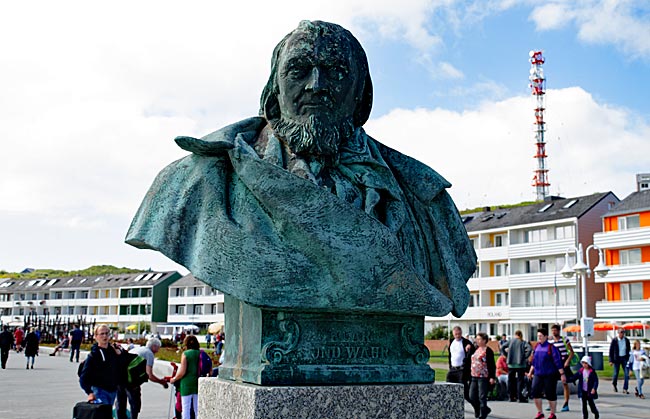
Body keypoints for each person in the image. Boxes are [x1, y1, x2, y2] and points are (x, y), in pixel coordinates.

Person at [126, 20, 476, 324]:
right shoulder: (195, 183)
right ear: (274, 89)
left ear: (361, 93)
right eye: (299, 69)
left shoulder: (423, 197)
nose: (316, 85)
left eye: (337, 71)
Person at [116, 337, 169, 419]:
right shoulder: (149, 353)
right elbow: (149, 375)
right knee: (135, 404)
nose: (158, 351)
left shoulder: (137, 349)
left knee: (121, 403)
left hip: (120, 378)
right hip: (132, 382)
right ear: (154, 346)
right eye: (158, 348)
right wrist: (162, 382)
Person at [79, 324, 122, 405]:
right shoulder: (94, 355)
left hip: (113, 390)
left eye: (107, 333)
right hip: (99, 391)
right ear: (96, 336)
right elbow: (83, 378)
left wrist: (120, 354)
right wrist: (90, 393)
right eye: (102, 334)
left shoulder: (113, 351)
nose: (105, 336)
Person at [527, 328, 566, 419]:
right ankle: (540, 412)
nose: (539, 338)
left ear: (545, 336)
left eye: (540, 336)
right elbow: (534, 361)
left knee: (550, 393)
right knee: (535, 392)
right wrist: (530, 372)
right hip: (538, 374)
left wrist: (562, 374)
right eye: (538, 336)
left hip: (549, 374)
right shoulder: (537, 347)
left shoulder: (551, 348)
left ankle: (553, 413)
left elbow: (557, 362)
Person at [170, 335, 201, 419]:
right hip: (198, 382)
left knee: (186, 408)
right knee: (197, 408)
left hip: (186, 383)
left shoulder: (186, 354)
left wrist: (174, 379)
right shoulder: (200, 353)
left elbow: (182, 372)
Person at [469, 332, 496, 419]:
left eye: (479, 339)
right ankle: (483, 409)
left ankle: (483, 414)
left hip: (483, 376)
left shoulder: (488, 351)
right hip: (474, 375)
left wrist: (492, 377)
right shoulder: (475, 349)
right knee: (472, 396)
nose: (477, 341)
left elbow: (492, 364)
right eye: (477, 339)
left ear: (484, 340)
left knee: (482, 396)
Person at [549, 324, 575, 412]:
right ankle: (552, 402)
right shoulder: (551, 341)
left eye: (555, 330)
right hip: (554, 364)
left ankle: (566, 403)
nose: (553, 332)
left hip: (563, 363)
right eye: (552, 330)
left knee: (565, 383)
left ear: (558, 331)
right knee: (552, 383)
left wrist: (567, 361)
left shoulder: (564, 340)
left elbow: (571, 352)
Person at [501, 329, 532, 403]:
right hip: (520, 364)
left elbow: (502, 347)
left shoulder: (511, 341)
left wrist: (506, 355)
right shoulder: (523, 342)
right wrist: (524, 356)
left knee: (511, 380)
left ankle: (511, 397)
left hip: (511, 363)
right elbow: (530, 349)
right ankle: (520, 397)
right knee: (520, 381)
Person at [447, 326, 474, 402]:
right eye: (456, 334)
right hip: (452, 369)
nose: (457, 336)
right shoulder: (452, 342)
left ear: (461, 333)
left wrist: (470, 347)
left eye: (459, 334)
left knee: (465, 392)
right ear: (453, 334)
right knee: (449, 387)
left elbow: (473, 349)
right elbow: (450, 355)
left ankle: (477, 407)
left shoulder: (465, 342)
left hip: (462, 369)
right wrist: (450, 366)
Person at [608, 329, 631, 393]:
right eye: (620, 333)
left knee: (627, 374)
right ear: (618, 333)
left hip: (624, 358)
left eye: (623, 333)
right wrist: (611, 360)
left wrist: (629, 358)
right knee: (616, 373)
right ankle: (614, 384)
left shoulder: (626, 340)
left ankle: (625, 388)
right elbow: (611, 351)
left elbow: (629, 349)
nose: (621, 334)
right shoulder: (615, 340)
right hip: (617, 359)